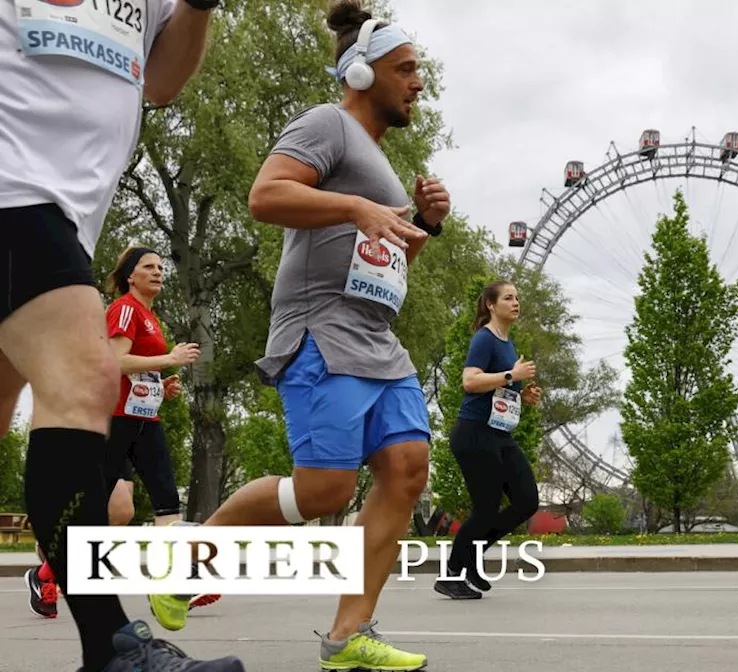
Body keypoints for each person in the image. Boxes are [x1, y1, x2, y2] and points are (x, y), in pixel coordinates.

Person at [146, 3, 448, 669]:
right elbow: (265, 195)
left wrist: (423, 224)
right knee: (325, 492)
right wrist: (356, 205)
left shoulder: (378, 158)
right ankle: (187, 560)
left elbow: (388, 260)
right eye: (406, 70)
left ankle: (349, 637)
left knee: (406, 470)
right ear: (362, 72)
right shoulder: (327, 125)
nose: (417, 82)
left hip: (377, 339)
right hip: (322, 333)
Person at [0, 0, 245, 668]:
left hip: (69, 217)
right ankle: (112, 650)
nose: (160, 273)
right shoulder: (125, 311)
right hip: (15, 190)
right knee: (83, 380)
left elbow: (160, 82)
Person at [24, 246, 222, 619]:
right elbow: (114, 360)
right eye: (149, 267)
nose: (158, 272)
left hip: (143, 420)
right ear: (131, 275)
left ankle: (180, 578)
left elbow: (134, 371)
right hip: (113, 420)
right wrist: (170, 359)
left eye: (162, 267)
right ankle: (47, 573)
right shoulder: (125, 308)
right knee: (101, 510)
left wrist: (161, 385)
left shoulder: (148, 314)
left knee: (161, 501)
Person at [435, 280, 543, 600]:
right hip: (474, 434)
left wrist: (522, 394)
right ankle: (453, 572)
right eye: (508, 298)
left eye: (517, 297)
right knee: (485, 509)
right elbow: (470, 381)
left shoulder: (508, 344)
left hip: (499, 435)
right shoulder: (485, 338)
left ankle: (472, 560)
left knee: (526, 500)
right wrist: (512, 376)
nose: (515, 302)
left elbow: (496, 389)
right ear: (492, 306)